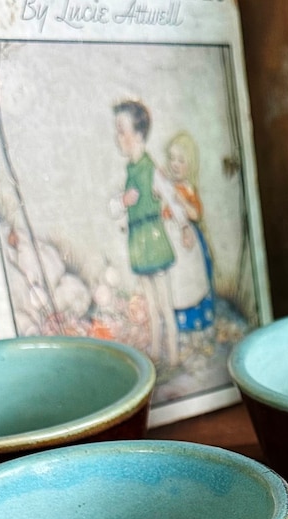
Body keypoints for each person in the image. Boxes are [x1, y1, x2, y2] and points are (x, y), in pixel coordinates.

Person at [113, 99, 180, 364]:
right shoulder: (130, 171)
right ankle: (155, 351)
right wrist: (122, 202)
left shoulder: (150, 169)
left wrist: (184, 225)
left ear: (138, 135)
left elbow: (171, 198)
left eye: (122, 130)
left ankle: (173, 355)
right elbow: (116, 207)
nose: (118, 137)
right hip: (138, 240)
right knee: (151, 303)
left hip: (153, 236)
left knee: (164, 301)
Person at [163, 132, 215, 337]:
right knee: (174, 280)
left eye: (180, 160)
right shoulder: (166, 187)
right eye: (172, 158)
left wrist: (181, 200)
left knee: (190, 278)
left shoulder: (187, 188)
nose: (174, 164)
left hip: (187, 241)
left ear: (190, 164)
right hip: (170, 237)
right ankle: (177, 323)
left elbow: (195, 213)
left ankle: (195, 322)